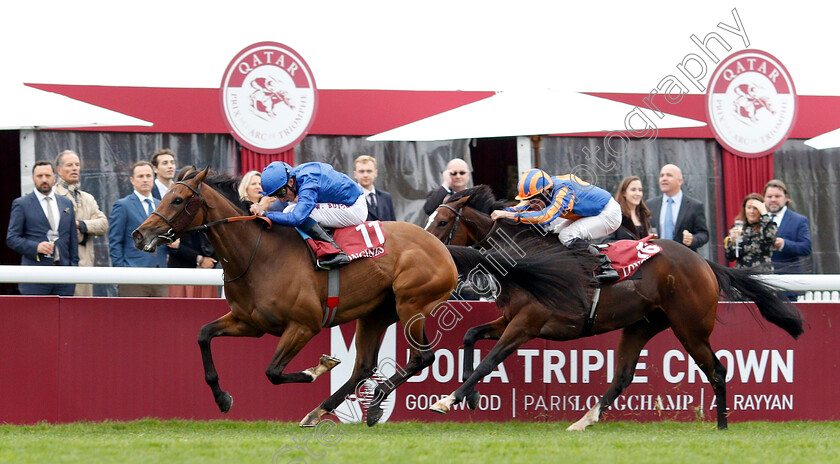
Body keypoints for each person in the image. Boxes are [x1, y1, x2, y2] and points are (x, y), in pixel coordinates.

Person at [490, 169, 621, 284]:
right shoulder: (546, 189)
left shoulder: (562, 191)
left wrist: (513, 215)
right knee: (555, 232)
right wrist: (505, 212)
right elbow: (524, 206)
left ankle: (606, 266)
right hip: (588, 213)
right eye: (530, 199)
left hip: (608, 213)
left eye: (535, 198)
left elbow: (546, 216)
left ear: (545, 192)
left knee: (567, 235)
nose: (532, 203)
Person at [249, 161, 367, 269]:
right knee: (289, 210)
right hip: (346, 201)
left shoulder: (308, 183)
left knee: (291, 212)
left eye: (282, 192)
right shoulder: (295, 176)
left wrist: (265, 214)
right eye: (275, 195)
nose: (280, 199)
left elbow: (296, 218)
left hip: (354, 208)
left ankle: (336, 252)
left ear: (291, 182)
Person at [6, 161, 79, 295]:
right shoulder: (22, 204)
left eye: (47, 175)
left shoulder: (66, 203)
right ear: (33, 178)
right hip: (34, 277)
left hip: (64, 277)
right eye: (39, 176)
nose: (44, 180)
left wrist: (73, 269)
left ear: (54, 177)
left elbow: (73, 239)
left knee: (64, 316)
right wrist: (35, 247)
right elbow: (11, 238)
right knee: (36, 316)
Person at [53, 150, 109, 296]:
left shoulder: (87, 198)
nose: (74, 168)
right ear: (59, 170)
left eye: (77, 165)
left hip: (86, 263)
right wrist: (89, 226)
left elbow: (103, 225)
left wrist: (80, 225)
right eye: (69, 165)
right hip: (62, 262)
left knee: (82, 311)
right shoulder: (53, 196)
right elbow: (57, 228)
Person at [108, 161, 168, 296]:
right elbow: (115, 241)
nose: (145, 180)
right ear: (132, 180)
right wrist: (122, 271)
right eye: (140, 176)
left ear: (154, 179)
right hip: (132, 276)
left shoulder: (162, 206)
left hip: (160, 275)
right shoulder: (123, 205)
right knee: (132, 316)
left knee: (160, 316)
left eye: (148, 176)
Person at [167, 166, 219, 298]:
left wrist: (211, 260)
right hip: (181, 274)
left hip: (206, 273)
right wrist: (199, 259)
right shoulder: (172, 210)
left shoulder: (210, 208)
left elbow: (219, 237)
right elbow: (173, 246)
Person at [648, 164, 709, 251]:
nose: (664, 178)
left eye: (669, 175)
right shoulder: (650, 205)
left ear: (680, 181)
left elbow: (703, 234)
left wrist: (693, 239)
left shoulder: (694, 206)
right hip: (657, 259)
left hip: (684, 259)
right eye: (661, 175)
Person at [763, 179, 811, 274]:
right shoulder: (757, 219)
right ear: (764, 198)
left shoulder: (799, 220)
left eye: (777, 196)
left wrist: (783, 244)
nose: (773, 199)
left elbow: (806, 248)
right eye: (769, 196)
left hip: (789, 278)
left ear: (786, 198)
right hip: (762, 277)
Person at [724, 193, 777, 271]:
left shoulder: (768, 225)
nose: (752, 211)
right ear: (744, 209)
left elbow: (770, 236)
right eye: (749, 208)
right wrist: (732, 241)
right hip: (742, 274)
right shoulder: (738, 227)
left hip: (763, 273)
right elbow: (730, 257)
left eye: (755, 208)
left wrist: (764, 214)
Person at [602, 176, 652, 242]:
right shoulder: (615, 216)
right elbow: (605, 241)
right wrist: (627, 245)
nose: (638, 193)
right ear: (624, 193)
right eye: (633, 190)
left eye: (640, 190)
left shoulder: (645, 215)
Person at [353, 155, 396, 221]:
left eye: (369, 171)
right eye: (361, 171)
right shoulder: (351, 198)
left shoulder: (386, 197)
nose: (365, 175)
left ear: (376, 173)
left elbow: (393, 225)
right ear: (355, 174)